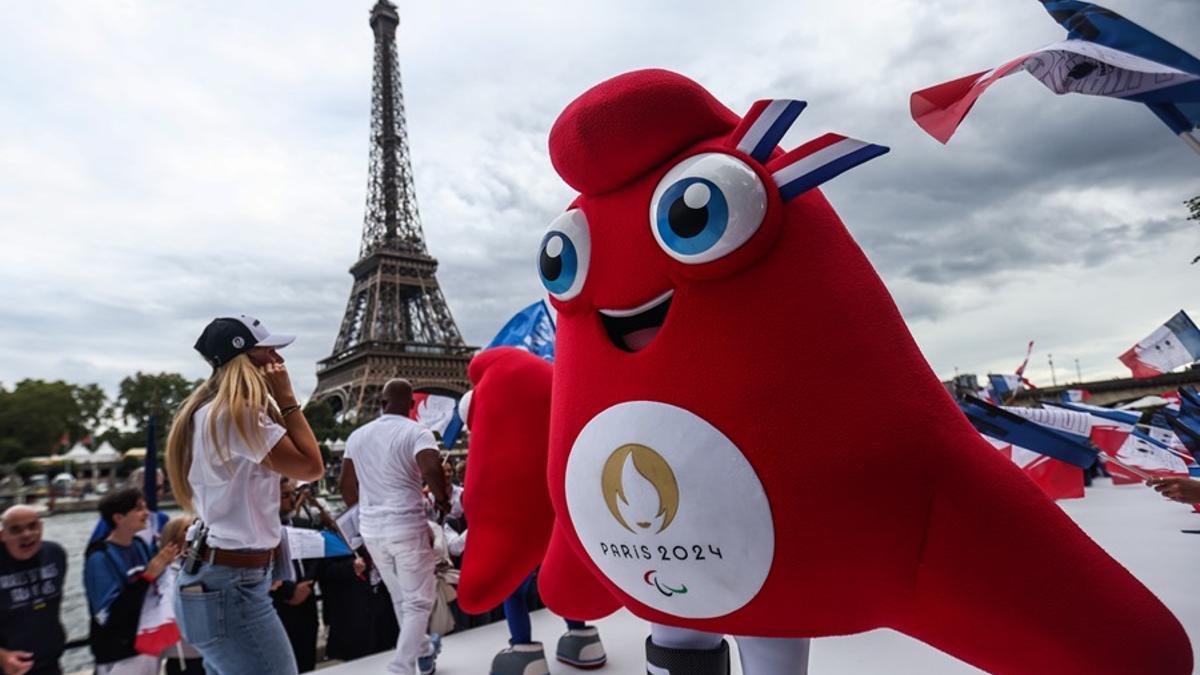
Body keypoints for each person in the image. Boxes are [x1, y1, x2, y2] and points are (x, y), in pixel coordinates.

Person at [165, 314, 324, 675]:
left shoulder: (207, 413)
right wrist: (287, 399)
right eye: (268, 350)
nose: (277, 360)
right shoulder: (238, 416)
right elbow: (312, 467)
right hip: (232, 586)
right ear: (247, 358)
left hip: (219, 576)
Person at [340, 378, 450, 675]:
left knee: (401, 598)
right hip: (406, 526)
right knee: (418, 603)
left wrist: (366, 512)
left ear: (381, 403)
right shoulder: (417, 431)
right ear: (412, 405)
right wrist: (443, 500)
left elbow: (345, 485)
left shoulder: (357, 436)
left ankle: (424, 650)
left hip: (372, 531)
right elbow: (429, 468)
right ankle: (400, 668)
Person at [84, 489, 181, 675]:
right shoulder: (99, 557)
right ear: (118, 517)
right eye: (139, 509)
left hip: (146, 643)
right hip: (119, 653)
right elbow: (109, 615)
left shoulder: (139, 545)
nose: (146, 513)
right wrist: (148, 576)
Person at [0, 506, 66, 675]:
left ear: (41, 527)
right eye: (16, 530)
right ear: (3, 535)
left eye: (32, 526)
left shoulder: (55, 554)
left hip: (50, 662)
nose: (27, 534)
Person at [271, 479, 319, 673]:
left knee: (306, 663)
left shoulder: (303, 525)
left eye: (293, 494)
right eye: (285, 496)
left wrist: (306, 585)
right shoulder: (259, 533)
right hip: (277, 607)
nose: (291, 500)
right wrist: (289, 591)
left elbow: (316, 558)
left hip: (306, 604)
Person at [159, 517, 203, 675]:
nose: (194, 531)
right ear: (173, 538)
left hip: (206, 652)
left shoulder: (202, 567)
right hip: (183, 656)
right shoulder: (167, 573)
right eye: (187, 528)